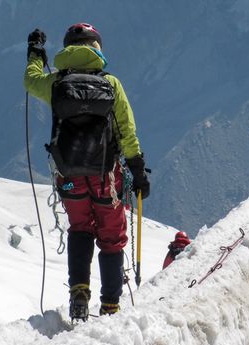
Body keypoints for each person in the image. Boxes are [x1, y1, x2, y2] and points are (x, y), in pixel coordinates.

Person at [23, 23, 150, 320]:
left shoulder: (56, 83)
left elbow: (31, 81)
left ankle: (79, 292)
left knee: (80, 228)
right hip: (107, 175)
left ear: (68, 48)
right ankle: (110, 305)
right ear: (97, 48)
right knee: (111, 237)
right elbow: (127, 132)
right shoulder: (111, 84)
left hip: (69, 176)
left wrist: (35, 53)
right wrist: (139, 171)